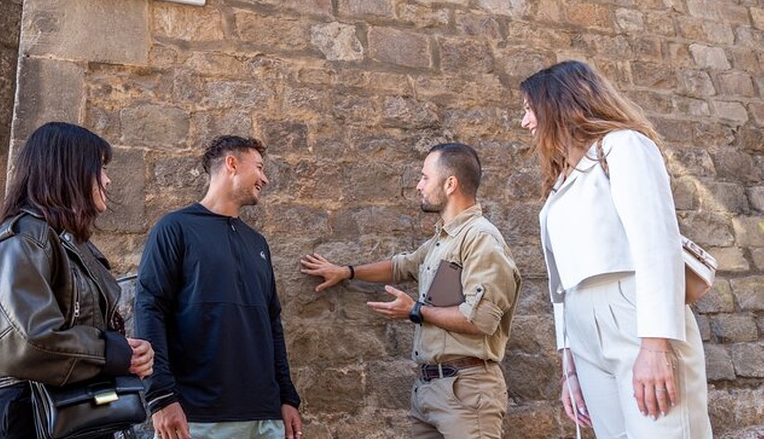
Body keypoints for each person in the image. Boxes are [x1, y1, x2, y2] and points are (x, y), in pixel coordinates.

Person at [518, 60, 712, 438]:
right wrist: (569, 366)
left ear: (559, 105)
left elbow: (657, 247)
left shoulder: (624, 146)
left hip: (634, 314)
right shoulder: (560, 182)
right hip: (582, 325)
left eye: (529, 110)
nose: (525, 122)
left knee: (665, 431)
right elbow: (561, 284)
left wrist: (656, 348)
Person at [301, 143, 520, 439]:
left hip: (467, 393)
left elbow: (480, 320)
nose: (418, 185)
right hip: (428, 392)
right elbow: (401, 266)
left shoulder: (480, 239)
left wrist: (415, 311)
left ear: (450, 184)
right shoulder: (443, 240)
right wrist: (346, 272)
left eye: (425, 177)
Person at [0, 122, 155, 439]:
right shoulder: (23, 239)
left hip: (72, 414)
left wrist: (130, 353)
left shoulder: (74, 245)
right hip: (25, 416)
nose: (107, 180)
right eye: (100, 168)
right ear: (70, 170)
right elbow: (28, 340)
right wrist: (113, 352)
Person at [135, 135, 303, 439]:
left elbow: (272, 325)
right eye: (260, 168)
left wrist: (287, 397)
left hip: (265, 419)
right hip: (196, 418)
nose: (264, 179)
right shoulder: (174, 229)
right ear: (232, 164)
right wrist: (160, 397)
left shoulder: (257, 243)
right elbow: (149, 310)